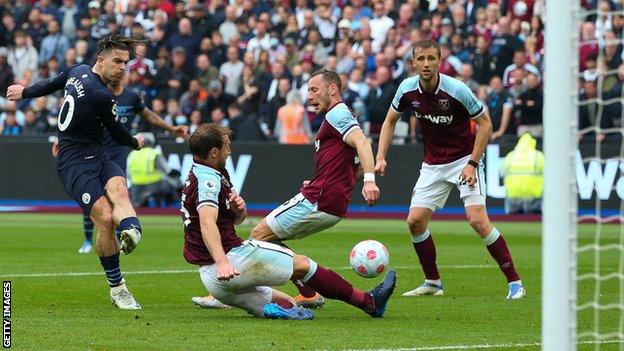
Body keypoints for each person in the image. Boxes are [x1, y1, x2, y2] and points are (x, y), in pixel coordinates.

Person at [192, 69, 380, 309]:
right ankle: (309, 292)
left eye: (314, 89)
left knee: (259, 236)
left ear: (332, 89)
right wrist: (323, 179)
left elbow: (363, 142)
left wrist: (370, 181)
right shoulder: (336, 118)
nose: (309, 95)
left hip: (319, 199)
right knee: (269, 238)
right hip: (326, 196)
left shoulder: (338, 113)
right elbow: (350, 164)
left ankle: (229, 293)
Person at [183, 123, 396, 319]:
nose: (229, 151)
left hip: (213, 280)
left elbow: (233, 221)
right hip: (230, 262)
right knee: (303, 265)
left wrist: (238, 211)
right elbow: (207, 223)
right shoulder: (208, 180)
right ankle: (369, 302)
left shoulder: (205, 171)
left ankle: (278, 311)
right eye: (226, 147)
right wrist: (222, 262)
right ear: (213, 152)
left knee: (288, 304)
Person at [375, 40, 526, 300]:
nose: (425, 64)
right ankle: (433, 282)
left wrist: (472, 164)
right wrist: (380, 156)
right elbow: (390, 121)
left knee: (477, 220)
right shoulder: (407, 89)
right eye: (420, 59)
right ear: (413, 63)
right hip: (433, 164)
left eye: (431, 58)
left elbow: (486, 124)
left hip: (464, 160)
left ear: (439, 61)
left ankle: (515, 283)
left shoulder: (457, 89)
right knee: (415, 221)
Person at [7, 34, 147, 309]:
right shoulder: (102, 96)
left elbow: (51, 84)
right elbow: (119, 134)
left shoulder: (78, 71)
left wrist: (25, 92)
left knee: (119, 189)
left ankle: (132, 230)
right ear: (101, 60)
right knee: (106, 218)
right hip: (74, 164)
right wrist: (136, 142)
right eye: (117, 61)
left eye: (126, 63)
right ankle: (118, 287)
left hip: (98, 156)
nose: (122, 68)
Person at [76, 77, 189, 254]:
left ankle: (124, 236)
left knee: (118, 197)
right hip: (94, 154)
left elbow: (148, 115)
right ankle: (87, 240)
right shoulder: (97, 94)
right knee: (90, 199)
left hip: (117, 156)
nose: (117, 71)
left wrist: (171, 128)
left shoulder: (131, 97)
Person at [127, 132, 182, 208]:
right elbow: (166, 170)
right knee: (175, 183)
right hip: (156, 185)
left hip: (136, 185)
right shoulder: (153, 153)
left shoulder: (132, 154)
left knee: (137, 207)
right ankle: (175, 207)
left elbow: (128, 174)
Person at [502, 133, 544, 214]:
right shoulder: (538, 155)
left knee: (513, 219)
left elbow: (502, 172)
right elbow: (547, 173)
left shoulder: (511, 155)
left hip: (513, 193)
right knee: (536, 218)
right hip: (534, 193)